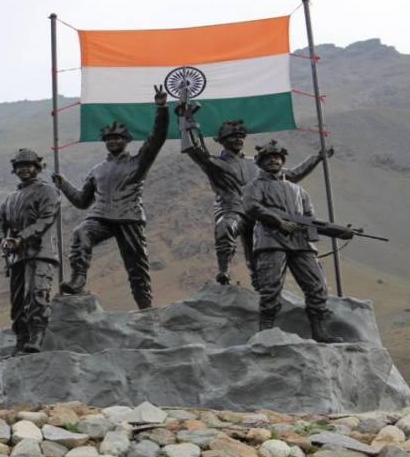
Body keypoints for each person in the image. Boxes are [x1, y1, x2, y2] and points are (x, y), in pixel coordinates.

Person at [52, 85, 168, 309]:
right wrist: (64, 185)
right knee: (80, 233)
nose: (113, 141)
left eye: (117, 138)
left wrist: (161, 108)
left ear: (126, 141)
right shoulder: (97, 170)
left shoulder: (138, 162)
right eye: (109, 138)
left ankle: (145, 307)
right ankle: (78, 280)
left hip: (129, 218)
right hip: (101, 217)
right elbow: (82, 202)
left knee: (136, 266)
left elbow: (157, 138)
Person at [184, 120, 332, 286]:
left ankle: (261, 288)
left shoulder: (257, 164)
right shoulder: (214, 162)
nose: (238, 140)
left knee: (257, 256)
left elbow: (292, 174)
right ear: (222, 140)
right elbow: (194, 150)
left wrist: (317, 158)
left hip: (258, 215)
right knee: (225, 227)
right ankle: (223, 271)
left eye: (241, 136)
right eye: (232, 137)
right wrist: (186, 123)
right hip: (232, 210)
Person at [243, 141, 352, 343]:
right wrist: (279, 222)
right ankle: (265, 332)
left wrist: (339, 231)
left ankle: (320, 331)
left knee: (317, 286)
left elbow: (311, 218)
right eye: (268, 157)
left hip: (301, 243)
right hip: (271, 240)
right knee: (271, 288)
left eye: (277, 157)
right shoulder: (255, 186)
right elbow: (251, 207)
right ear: (260, 163)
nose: (274, 160)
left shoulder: (299, 191)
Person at [0, 148, 60, 355]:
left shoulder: (47, 191)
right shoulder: (10, 199)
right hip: (17, 256)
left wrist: (22, 237)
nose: (24, 170)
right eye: (20, 167)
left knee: (37, 293)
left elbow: (47, 218)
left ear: (37, 168)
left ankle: (36, 337)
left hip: (41, 251)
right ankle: (21, 339)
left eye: (28, 166)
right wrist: (3, 239)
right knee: (18, 302)